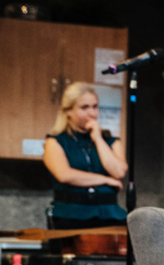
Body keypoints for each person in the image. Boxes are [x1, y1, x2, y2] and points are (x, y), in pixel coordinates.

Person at [42, 82, 128, 229]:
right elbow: (64, 175)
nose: (92, 113)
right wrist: (105, 180)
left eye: (95, 107)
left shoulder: (111, 142)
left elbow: (119, 171)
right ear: (68, 111)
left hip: (109, 214)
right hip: (70, 215)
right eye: (84, 107)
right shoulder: (56, 141)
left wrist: (99, 139)